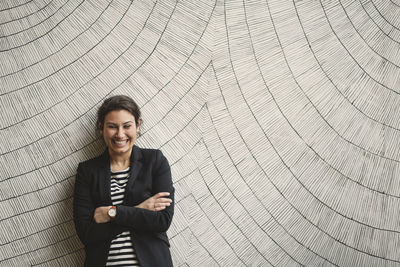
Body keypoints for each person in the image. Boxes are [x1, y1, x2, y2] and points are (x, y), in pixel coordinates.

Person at [73, 95, 174, 267]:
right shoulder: (87, 171)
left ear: (138, 125)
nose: (120, 134)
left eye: (127, 126)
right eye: (112, 126)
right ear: (101, 127)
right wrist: (140, 209)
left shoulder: (155, 161)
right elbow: (87, 233)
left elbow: (162, 221)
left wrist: (112, 213)